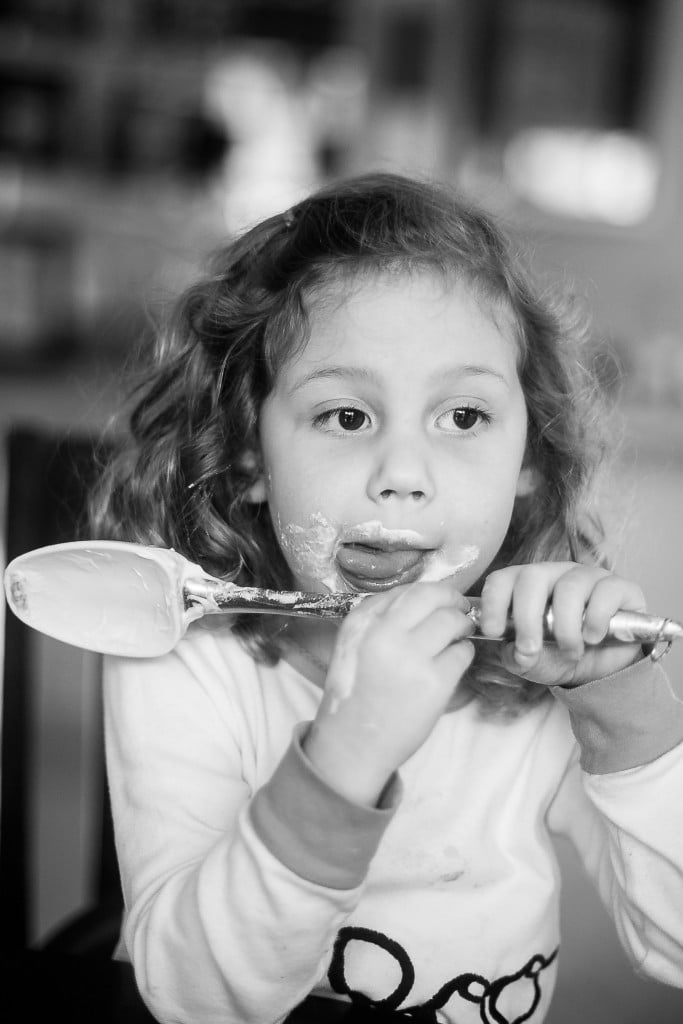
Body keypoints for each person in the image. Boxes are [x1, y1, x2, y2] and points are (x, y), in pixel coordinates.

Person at [90, 172, 683, 1024]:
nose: (402, 476)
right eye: (345, 416)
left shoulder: (540, 673)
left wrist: (622, 711)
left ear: (529, 458)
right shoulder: (185, 655)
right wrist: (344, 757)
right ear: (249, 452)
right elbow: (191, 999)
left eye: (465, 418)